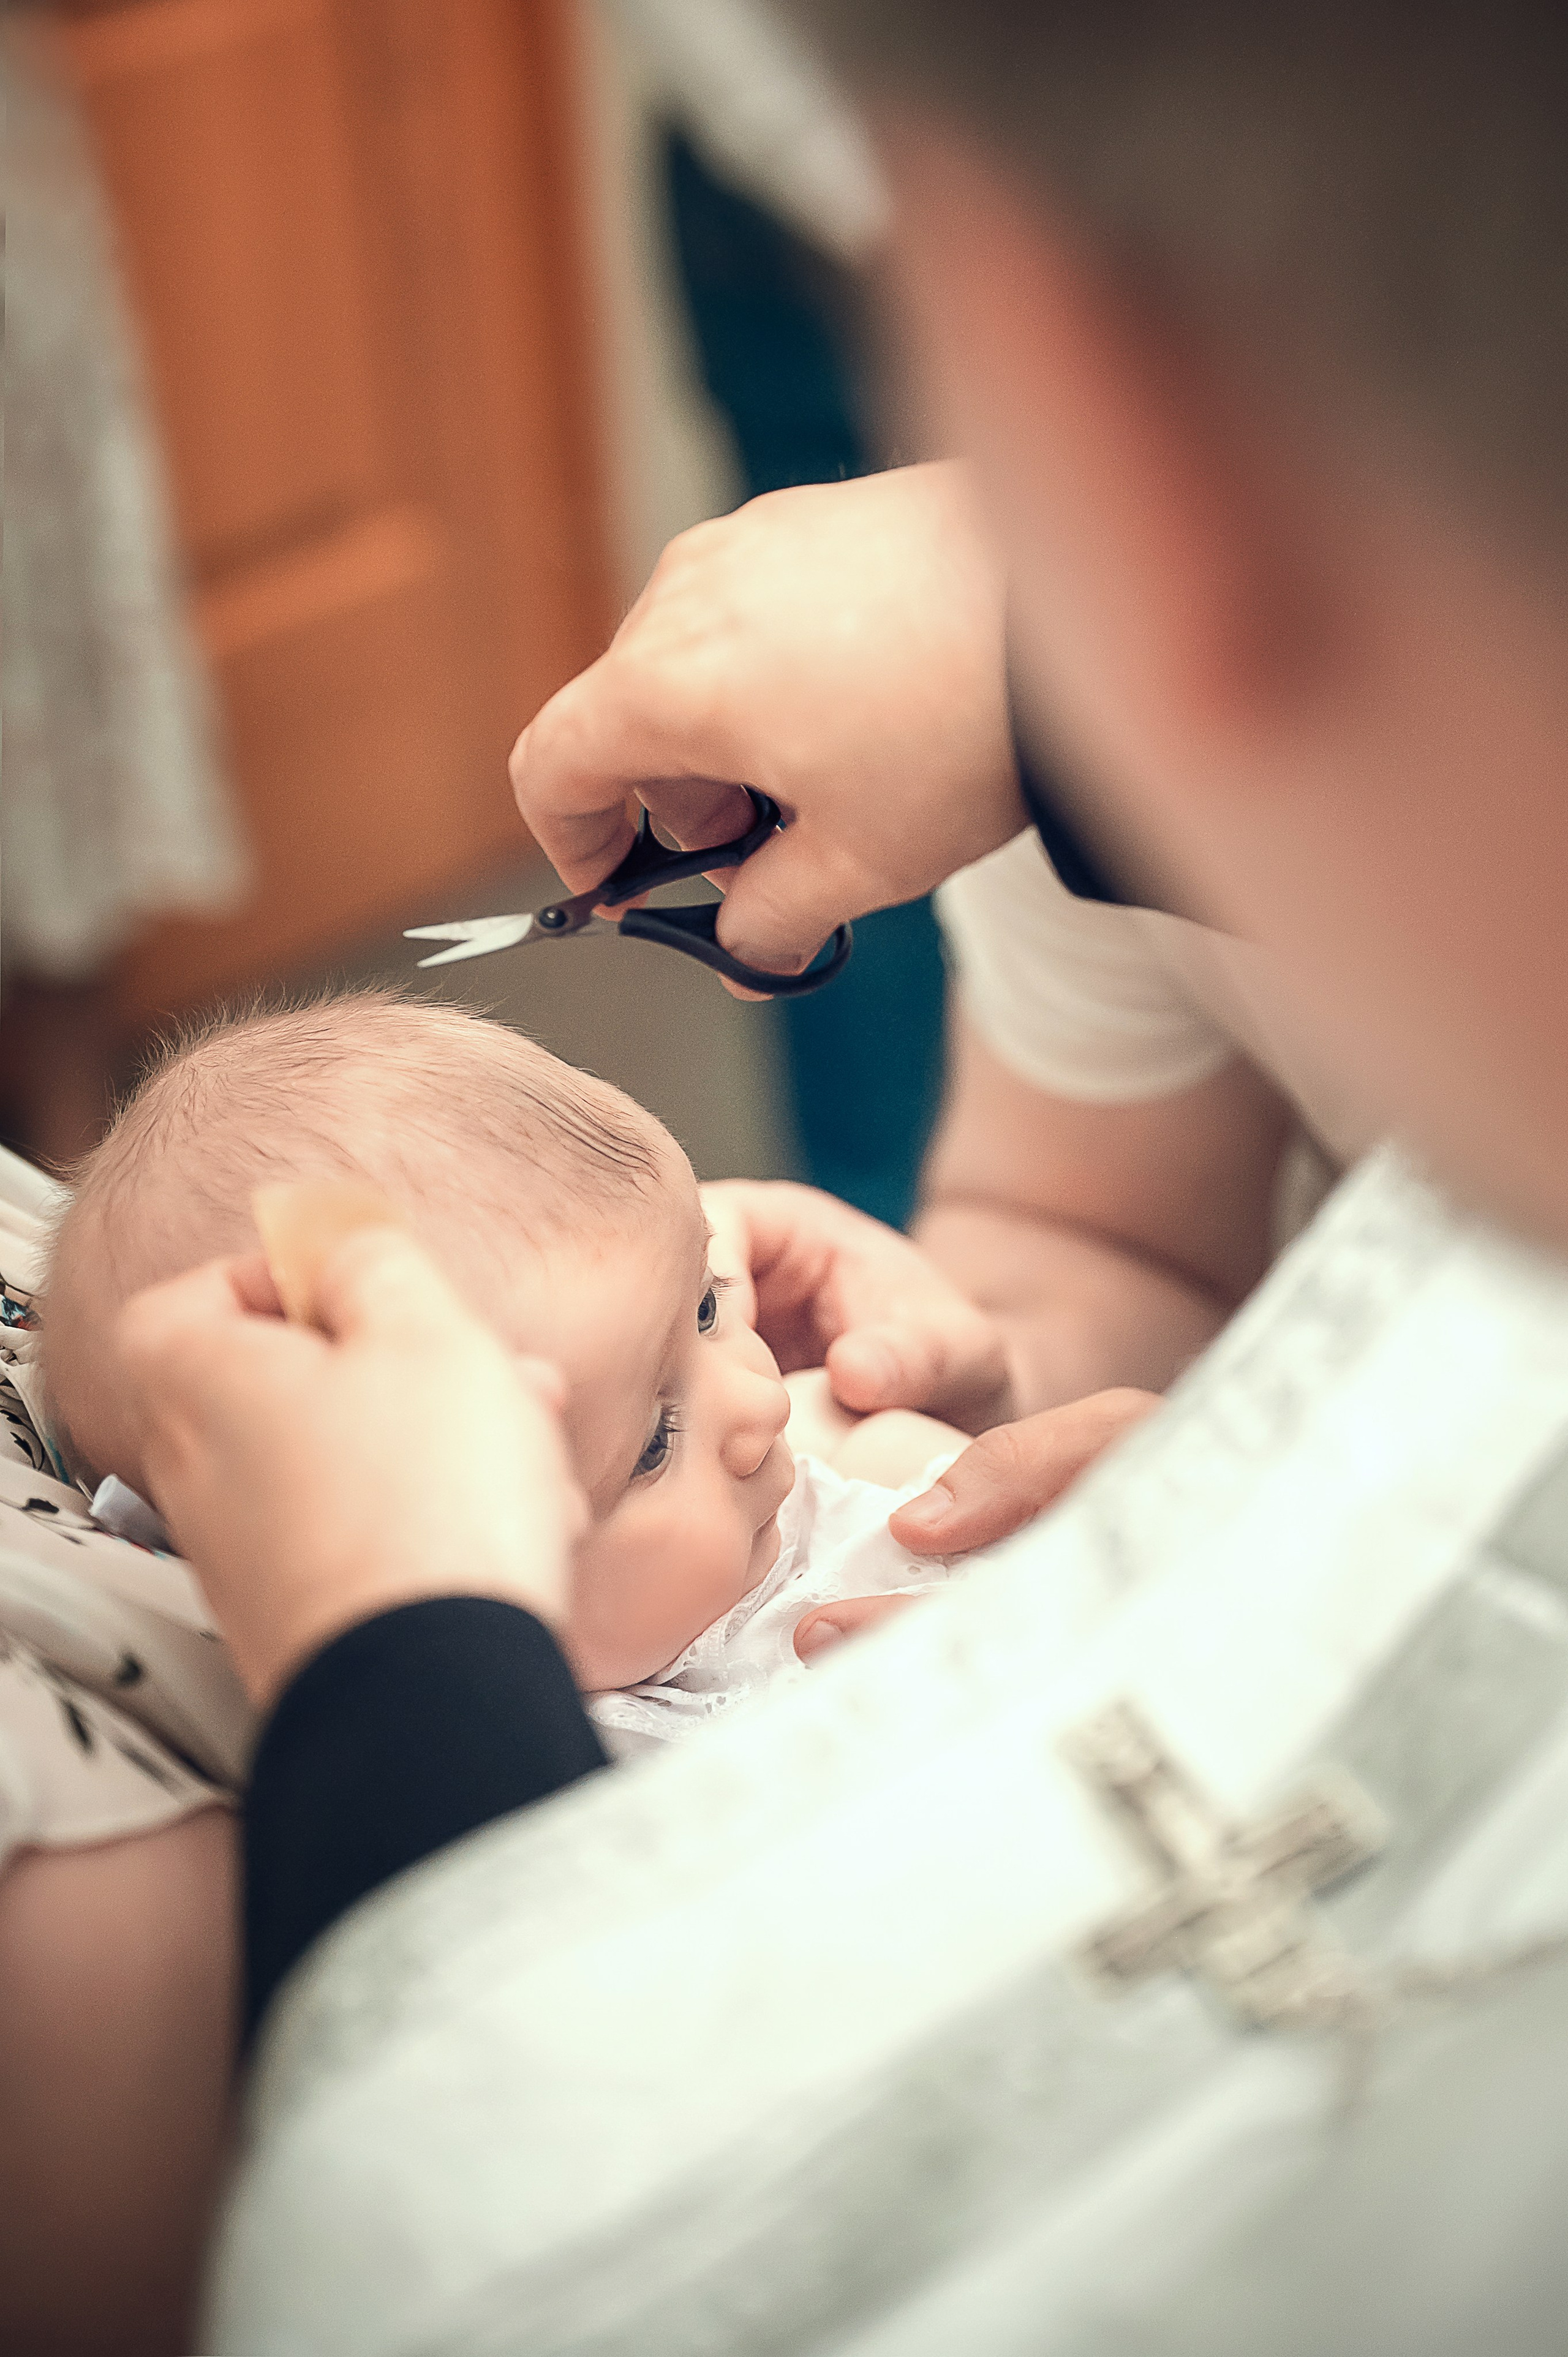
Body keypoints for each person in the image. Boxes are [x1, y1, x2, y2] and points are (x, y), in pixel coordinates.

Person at [116, 4, 1568, 2350]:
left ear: (1108, 421)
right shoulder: (1013, 742)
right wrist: (1024, 1361)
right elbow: (1102, 1215)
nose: (771, 1400)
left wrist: (404, 1671)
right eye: (684, 1376)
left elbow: (504, 2239)